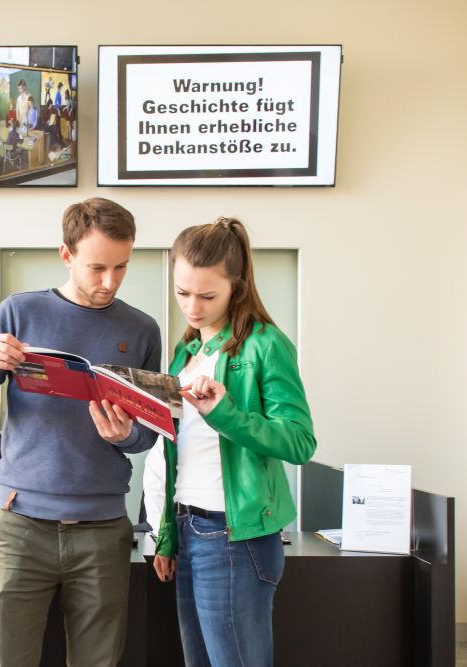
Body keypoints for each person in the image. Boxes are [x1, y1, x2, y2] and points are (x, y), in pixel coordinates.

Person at [0, 197, 161, 667]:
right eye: (97, 267)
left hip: (104, 529)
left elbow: (148, 436)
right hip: (20, 525)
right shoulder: (18, 313)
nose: (110, 282)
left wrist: (123, 435)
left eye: (122, 267)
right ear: (66, 255)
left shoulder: (142, 329)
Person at [148, 217, 316, 667]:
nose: (193, 307)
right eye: (183, 293)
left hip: (233, 535)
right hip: (188, 527)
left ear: (236, 289)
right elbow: (175, 453)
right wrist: (167, 535)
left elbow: (300, 442)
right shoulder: (185, 352)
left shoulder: (265, 345)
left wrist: (225, 413)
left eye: (208, 295)